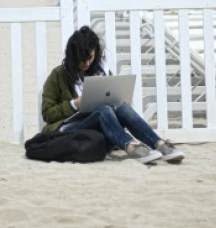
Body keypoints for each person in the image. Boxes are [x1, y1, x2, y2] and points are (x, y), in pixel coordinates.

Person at [41, 26, 185, 164]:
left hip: (99, 131)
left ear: (96, 53)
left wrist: (120, 101)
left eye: (90, 58)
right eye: (81, 59)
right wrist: (75, 104)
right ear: (72, 56)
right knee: (103, 111)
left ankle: (160, 145)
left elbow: (112, 100)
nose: (86, 63)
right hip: (69, 131)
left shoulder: (101, 71)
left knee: (123, 109)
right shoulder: (58, 75)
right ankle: (131, 147)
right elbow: (47, 114)